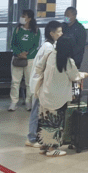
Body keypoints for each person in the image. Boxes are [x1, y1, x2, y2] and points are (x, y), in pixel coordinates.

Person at [33, 35, 80, 156]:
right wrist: (82, 75)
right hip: (59, 98)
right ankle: (52, 149)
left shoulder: (49, 55)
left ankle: (44, 145)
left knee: (45, 120)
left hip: (45, 94)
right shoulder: (68, 62)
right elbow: (75, 77)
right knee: (56, 122)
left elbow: (38, 68)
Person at [26, 20, 63, 148]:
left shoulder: (48, 45)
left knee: (38, 111)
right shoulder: (48, 48)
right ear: (52, 33)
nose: (61, 33)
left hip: (39, 83)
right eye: (59, 31)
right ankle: (31, 138)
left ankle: (35, 136)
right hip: (39, 84)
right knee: (36, 112)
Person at [8, 9, 40, 111]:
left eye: (24, 16)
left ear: (29, 18)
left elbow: (36, 46)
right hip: (17, 59)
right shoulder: (17, 30)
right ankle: (13, 102)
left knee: (29, 82)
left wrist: (27, 54)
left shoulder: (35, 30)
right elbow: (12, 44)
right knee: (15, 82)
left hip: (30, 60)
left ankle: (28, 102)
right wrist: (19, 53)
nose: (22, 17)